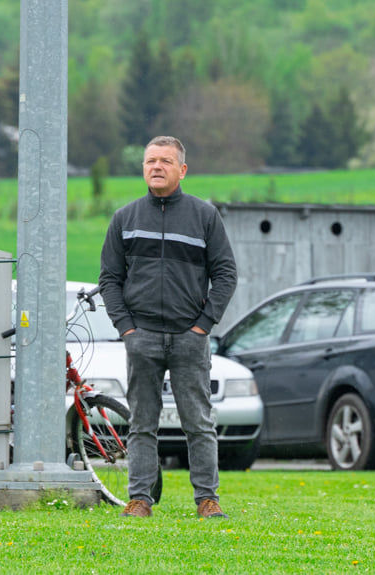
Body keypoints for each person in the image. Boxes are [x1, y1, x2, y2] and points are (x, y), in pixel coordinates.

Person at [99, 136, 238, 519]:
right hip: (140, 337)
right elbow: (109, 279)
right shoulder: (124, 219)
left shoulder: (204, 217)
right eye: (150, 161)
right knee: (142, 424)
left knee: (199, 423)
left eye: (165, 161)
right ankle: (140, 499)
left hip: (189, 338)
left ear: (182, 170)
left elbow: (225, 273)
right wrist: (126, 328)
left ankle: (207, 500)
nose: (156, 167)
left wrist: (203, 325)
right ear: (143, 168)